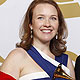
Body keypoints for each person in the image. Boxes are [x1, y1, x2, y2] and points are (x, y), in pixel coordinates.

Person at [0, 0, 75, 80]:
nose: (47, 24)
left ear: (58, 24)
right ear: (30, 24)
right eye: (40, 18)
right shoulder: (17, 56)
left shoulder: (66, 61)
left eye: (53, 18)